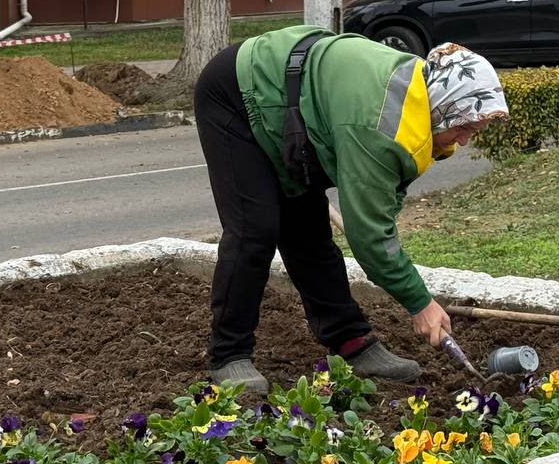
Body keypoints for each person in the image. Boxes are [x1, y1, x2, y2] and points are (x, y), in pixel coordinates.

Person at [194, 26, 508, 393]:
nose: (466, 139)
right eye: (465, 126)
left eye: (476, 130)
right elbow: (369, 237)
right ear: (443, 106)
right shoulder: (377, 122)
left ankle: (350, 341)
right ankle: (228, 354)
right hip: (236, 93)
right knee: (255, 229)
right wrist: (420, 302)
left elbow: (381, 202)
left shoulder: (416, 99)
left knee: (308, 232)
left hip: (292, 104)